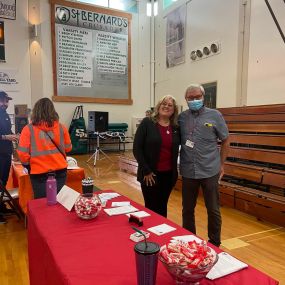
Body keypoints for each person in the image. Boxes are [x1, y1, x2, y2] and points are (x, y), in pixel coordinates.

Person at [178, 84, 229, 247]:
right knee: (187, 209)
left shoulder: (215, 115)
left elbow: (226, 139)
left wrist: (222, 164)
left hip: (210, 170)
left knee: (213, 209)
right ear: (186, 99)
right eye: (190, 98)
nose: (194, 100)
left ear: (203, 97)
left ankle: (214, 243)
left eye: (197, 97)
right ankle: (189, 240)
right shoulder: (181, 117)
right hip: (188, 171)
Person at [133, 95, 180, 217]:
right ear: (158, 106)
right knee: (151, 208)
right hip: (150, 174)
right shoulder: (147, 123)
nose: (166, 106)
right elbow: (137, 148)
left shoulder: (175, 127)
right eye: (164, 103)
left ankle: (161, 234)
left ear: (174, 110)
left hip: (168, 175)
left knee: (163, 206)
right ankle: (149, 234)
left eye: (170, 105)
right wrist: (147, 171)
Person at [17, 98, 72, 199]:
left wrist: (29, 165)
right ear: (53, 111)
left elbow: (22, 154)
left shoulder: (28, 129)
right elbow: (68, 148)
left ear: (35, 111)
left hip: (38, 173)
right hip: (60, 170)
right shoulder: (62, 128)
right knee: (60, 201)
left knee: (42, 204)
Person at [0, 91, 19, 224]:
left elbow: (7, 133)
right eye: (3, 101)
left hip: (6, 154)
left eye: (7, 101)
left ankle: (1, 207)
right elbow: (5, 136)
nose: (5, 104)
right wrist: (6, 137)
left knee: (3, 183)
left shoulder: (5, 115)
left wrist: (16, 135)